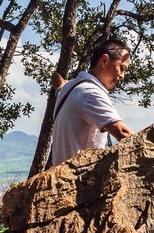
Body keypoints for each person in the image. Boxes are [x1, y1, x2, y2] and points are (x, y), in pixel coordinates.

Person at [48, 38, 135, 166]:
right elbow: (122, 132)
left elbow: (59, 84)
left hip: (62, 177)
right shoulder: (92, 93)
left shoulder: (71, 88)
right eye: (122, 68)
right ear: (104, 61)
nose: (122, 76)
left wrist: (57, 79)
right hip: (79, 180)